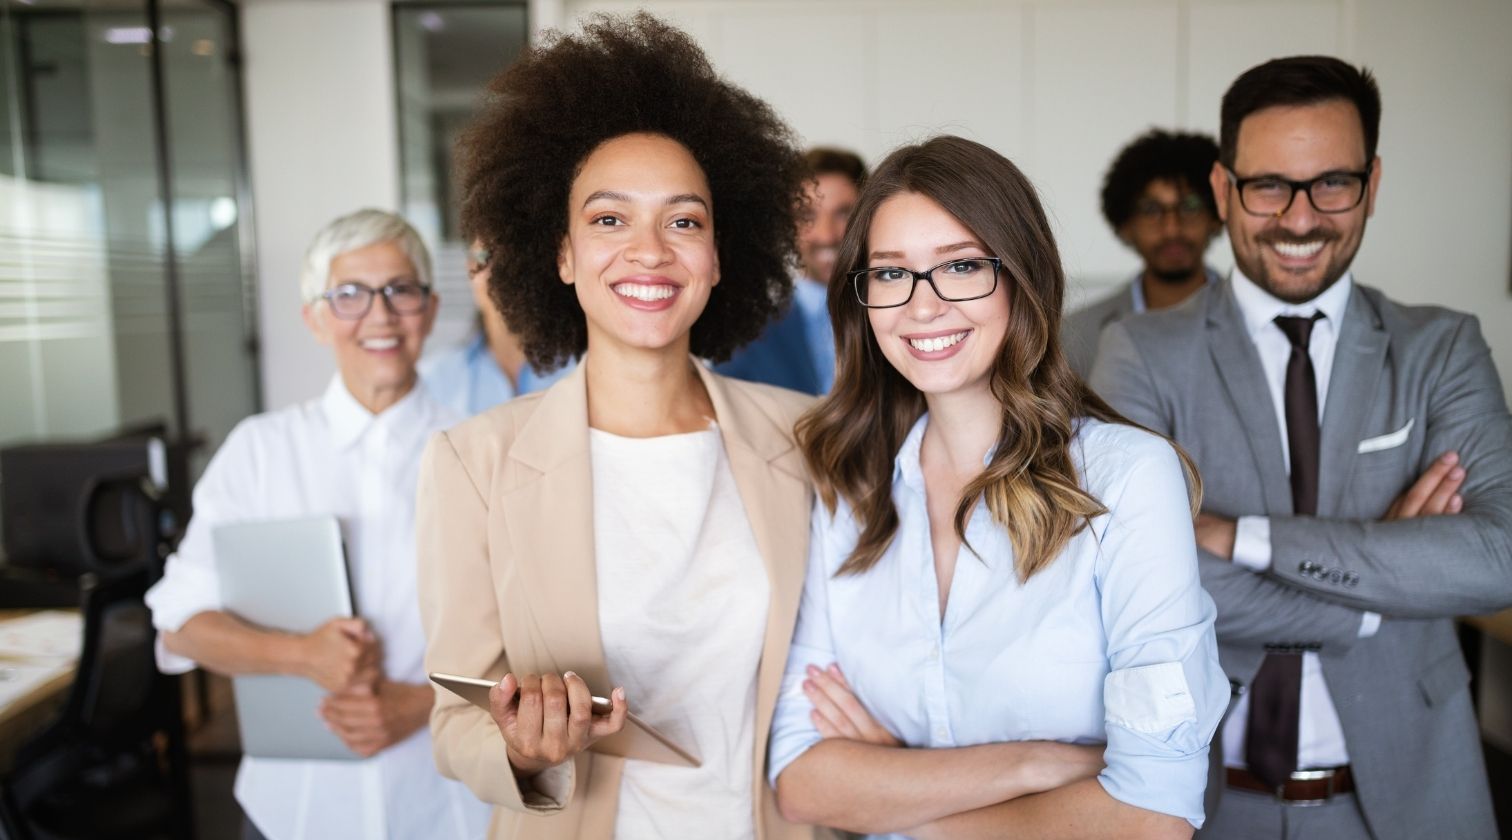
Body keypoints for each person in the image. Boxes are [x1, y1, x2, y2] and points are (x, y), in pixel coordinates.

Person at [416, 13, 818, 839]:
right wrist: (525, 750)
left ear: (717, 257)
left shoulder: (810, 439)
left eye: (683, 220)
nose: (649, 251)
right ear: (560, 254)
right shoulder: (474, 462)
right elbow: (455, 721)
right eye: (608, 219)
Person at [1090, 56, 1512, 840]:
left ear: (1372, 184)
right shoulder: (1137, 352)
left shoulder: (1443, 348)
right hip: (1208, 804)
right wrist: (1390, 588)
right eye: (1269, 186)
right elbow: (1123, 586)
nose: (1301, 217)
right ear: (1224, 189)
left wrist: (1242, 537)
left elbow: (1496, 558)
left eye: (1332, 183)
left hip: (1416, 801)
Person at [767, 135, 1228, 839]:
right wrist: (1038, 767)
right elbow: (802, 781)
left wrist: (897, 790)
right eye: (891, 274)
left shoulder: (1128, 478)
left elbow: (1154, 815)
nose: (922, 306)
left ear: (1021, 274)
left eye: (960, 266)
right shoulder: (849, 484)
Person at [144, 209, 490, 840]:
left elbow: (539, 645)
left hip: (447, 808)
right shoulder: (259, 451)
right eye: (350, 295)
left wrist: (423, 704)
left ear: (431, 309)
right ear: (316, 318)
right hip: (293, 812)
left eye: (400, 291)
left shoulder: (483, 452)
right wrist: (300, 655)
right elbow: (179, 621)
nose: (380, 316)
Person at [1063, 129, 1223, 378]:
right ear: (1125, 225)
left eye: (1189, 206)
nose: (1172, 228)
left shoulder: (1256, 322)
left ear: (1217, 216)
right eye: (1151, 209)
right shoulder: (1075, 336)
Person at [717, 147, 866, 394]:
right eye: (806, 215)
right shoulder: (745, 339)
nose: (826, 235)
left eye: (843, 213)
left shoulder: (905, 315)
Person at [421, 233, 572, 416]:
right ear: (469, 268)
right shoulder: (435, 380)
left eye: (514, 256)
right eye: (486, 257)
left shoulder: (585, 367)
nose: (501, 275)